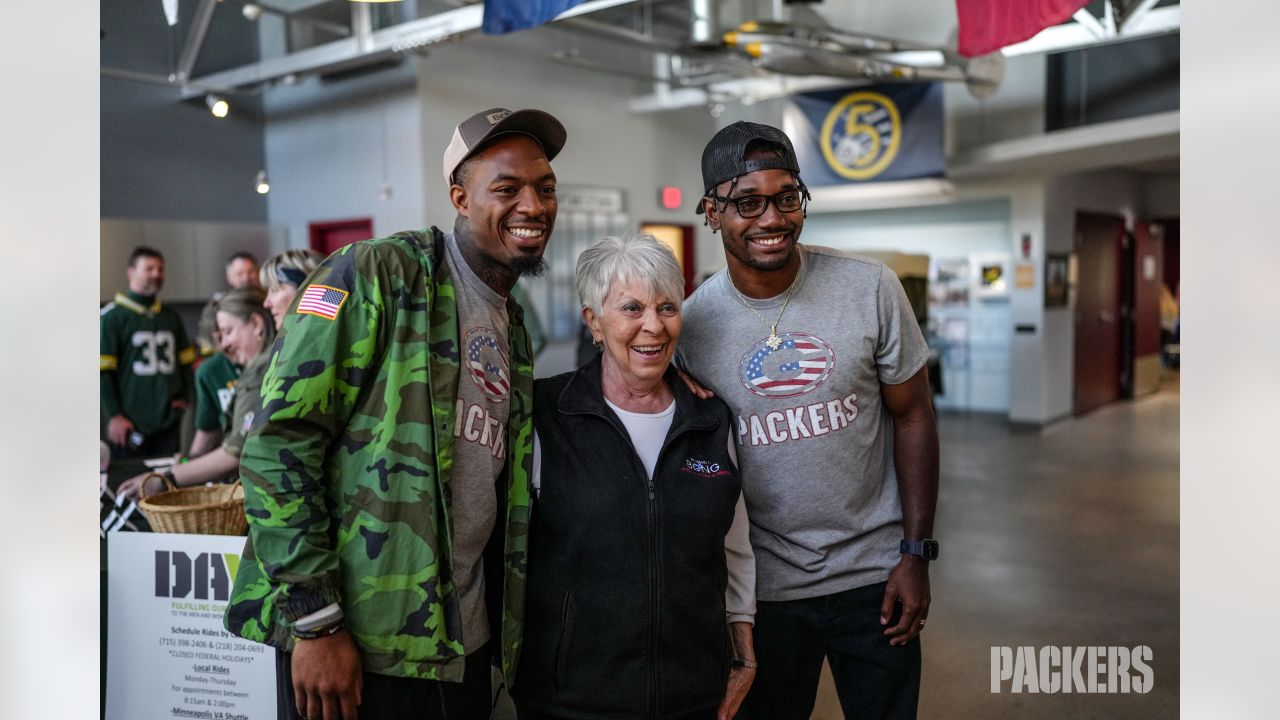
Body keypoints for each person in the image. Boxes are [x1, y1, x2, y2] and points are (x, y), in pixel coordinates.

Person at [222, 107, 567, 720]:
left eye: (545, 188)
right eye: (507, 188)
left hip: (456, 641)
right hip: (358, 645)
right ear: (460, 197)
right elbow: (277, 443)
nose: (533, 206)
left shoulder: (509, 322)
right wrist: (315, 621)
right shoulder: (381, 273)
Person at [677, 121, 940, 720]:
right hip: (765, 593)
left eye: (786, 197)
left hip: (877, 579)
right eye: (747, 202)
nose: (771, 218)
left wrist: (916, 553)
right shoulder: (691, 326)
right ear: (711, 212)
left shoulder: (870, 288)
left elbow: (914, 417)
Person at [512, 235, 757, 720]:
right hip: (571, 701)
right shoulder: (545, 416)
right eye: (631, 308)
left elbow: (735, 545)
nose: (653, 326)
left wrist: (742, 649)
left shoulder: (711, 421)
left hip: (694, 696)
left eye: (667, 307)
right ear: (593, 322)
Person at [118, 287, 277, 499]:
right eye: (219, 336)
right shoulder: (219, 371)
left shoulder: (262, 372)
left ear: (256, 324)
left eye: (228, 331)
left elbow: (236, 452)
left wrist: (167, 479)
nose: (225, 344)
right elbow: (207, 438)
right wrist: (186, 462)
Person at [100, 246, 197, 459]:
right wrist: (113, 416)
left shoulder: (171, 317)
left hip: (168, 423)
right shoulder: (111, 318)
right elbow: (102, 374)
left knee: (167, 484)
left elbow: (186, 367)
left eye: (160, 269)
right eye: (149, 268)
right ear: (131, 272)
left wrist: (184, 399)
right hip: (129, 425)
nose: (156, 274)